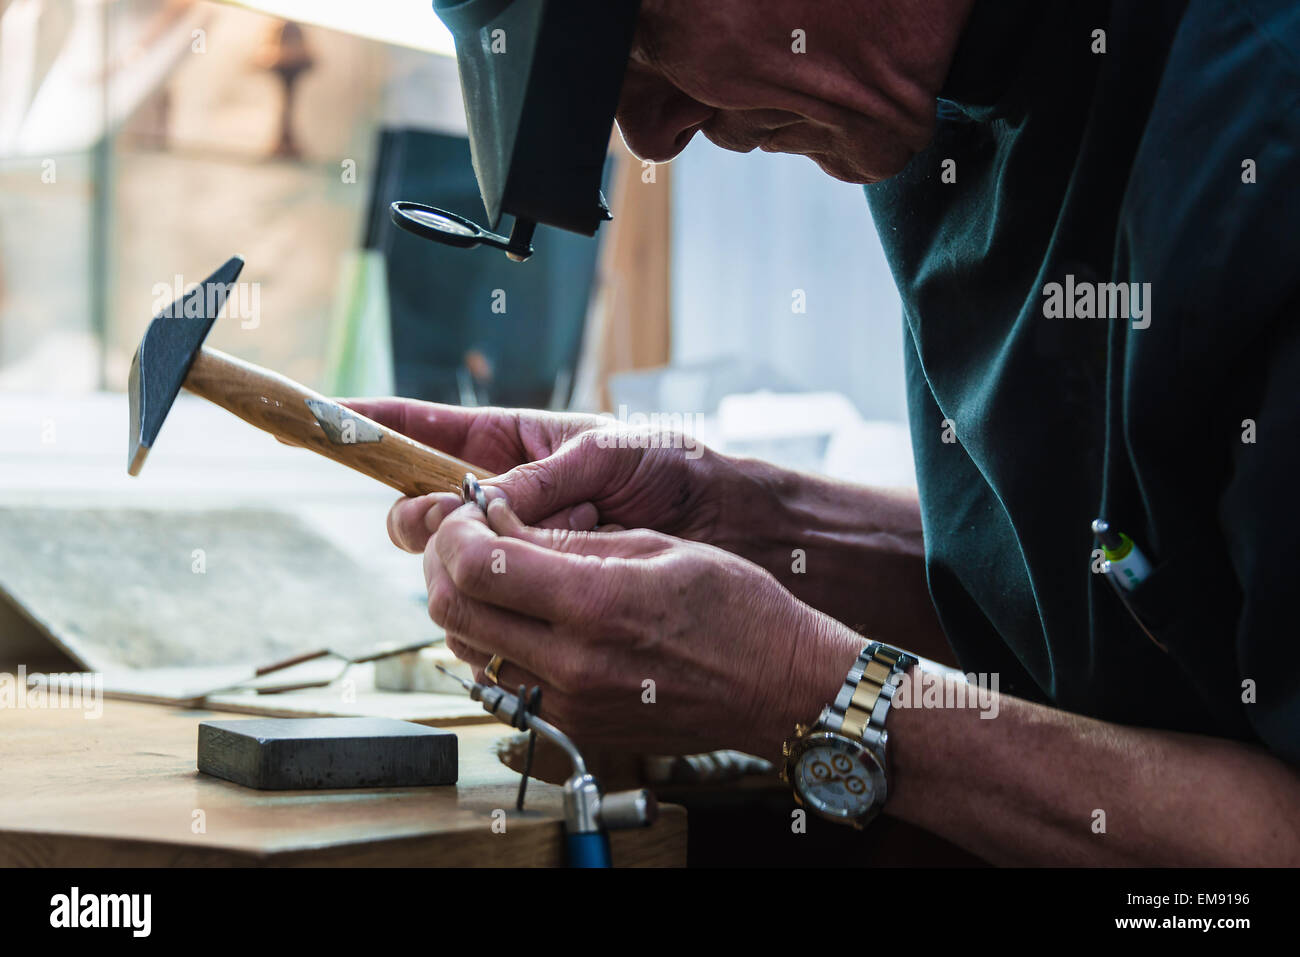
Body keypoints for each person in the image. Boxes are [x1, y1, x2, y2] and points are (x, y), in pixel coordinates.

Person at [348, 0, 1300, 864]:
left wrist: (802, 690)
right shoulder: (929, 103)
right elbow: (1102, 599)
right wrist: (750, 522)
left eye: (643, 34)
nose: (653, 134)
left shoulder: (1261, 123)